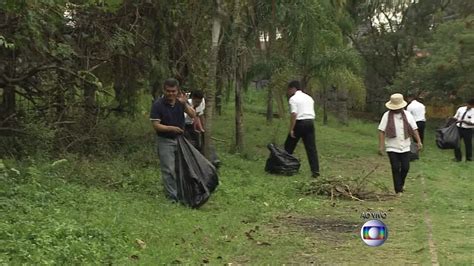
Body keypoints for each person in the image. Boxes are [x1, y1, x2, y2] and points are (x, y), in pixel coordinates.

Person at [150, 78, 196, 201]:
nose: (171, 93)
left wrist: (185, 103)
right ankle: (172, 198)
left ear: (177, 91)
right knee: (168, 169)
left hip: (181, 140)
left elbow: (193, 115)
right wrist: (171, 128)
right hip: (165, 141)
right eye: (168, 91)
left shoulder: (180, 103)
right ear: (164, 90)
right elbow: (156, 125)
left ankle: (182, 194)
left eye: (173, 91)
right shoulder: (157, 105)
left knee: (181, 168)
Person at [378, 93, 423, 196]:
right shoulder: (387, 115)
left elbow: (414, 129)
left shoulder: (408, 115)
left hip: (405, 146)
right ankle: (398, 190)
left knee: (405, 167)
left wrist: (419, 141)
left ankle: (401, 184)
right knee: (395, 167)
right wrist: (381, 146)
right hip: (391, 146)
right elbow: (381, 131)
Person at [284, 80, 320, 178]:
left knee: (289, 146)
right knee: (311, 148)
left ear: (293, 88)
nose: (288, 92)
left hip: (300, 123)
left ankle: (283, 166)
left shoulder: (293, 99)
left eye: (289, 90)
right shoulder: (309, 98)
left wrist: (291, 129)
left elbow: (294, 114)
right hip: (310, 123)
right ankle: (315, 171)